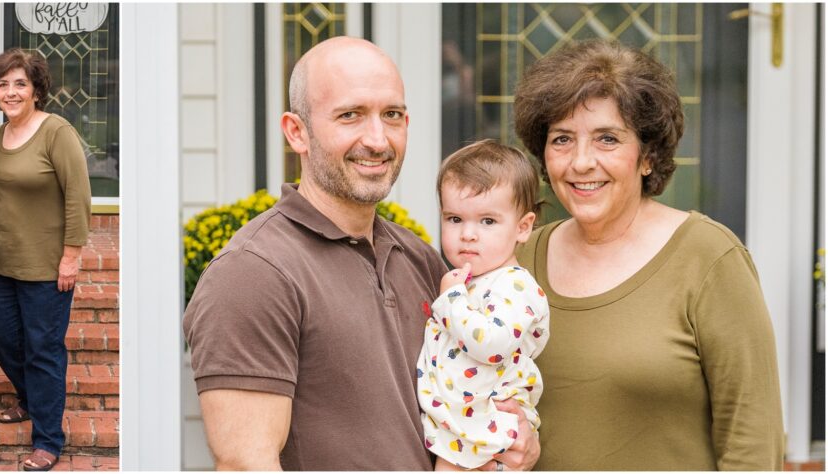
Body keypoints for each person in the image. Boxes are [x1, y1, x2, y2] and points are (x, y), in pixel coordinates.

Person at [182, 37, 539, 471]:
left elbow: (462, 397)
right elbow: (245, 464)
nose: (376, 139)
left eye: (391, 116)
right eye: (350, 115)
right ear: (297, 132)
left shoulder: (420, 258)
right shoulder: (252, 273)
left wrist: (519, 438)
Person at [512, 39, 784, 470]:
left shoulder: (709, 259)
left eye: (607, 139)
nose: (581, 162)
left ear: (647, 156)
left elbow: (752, 441)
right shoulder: (518, 261)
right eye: (562, 139)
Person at [0, 48, 91, 472]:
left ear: (36, 89)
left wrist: (71, 256)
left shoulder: (56, 132)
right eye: (3, 84)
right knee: (2, 338)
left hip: (46, 265)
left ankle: (48, 440)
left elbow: (79, 196)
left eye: (20, 83)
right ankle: (30, 398)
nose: (11, 91)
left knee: (43, 350)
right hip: (1, 261)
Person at [418, 140, 548, 471]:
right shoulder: (469, 281)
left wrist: (450, 300)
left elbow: (492, 345)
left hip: (487, 431)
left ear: (523, 227)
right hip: (462, 430)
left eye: (488, 221)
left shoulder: (515, 286)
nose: (469, 234)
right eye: (455, 219)